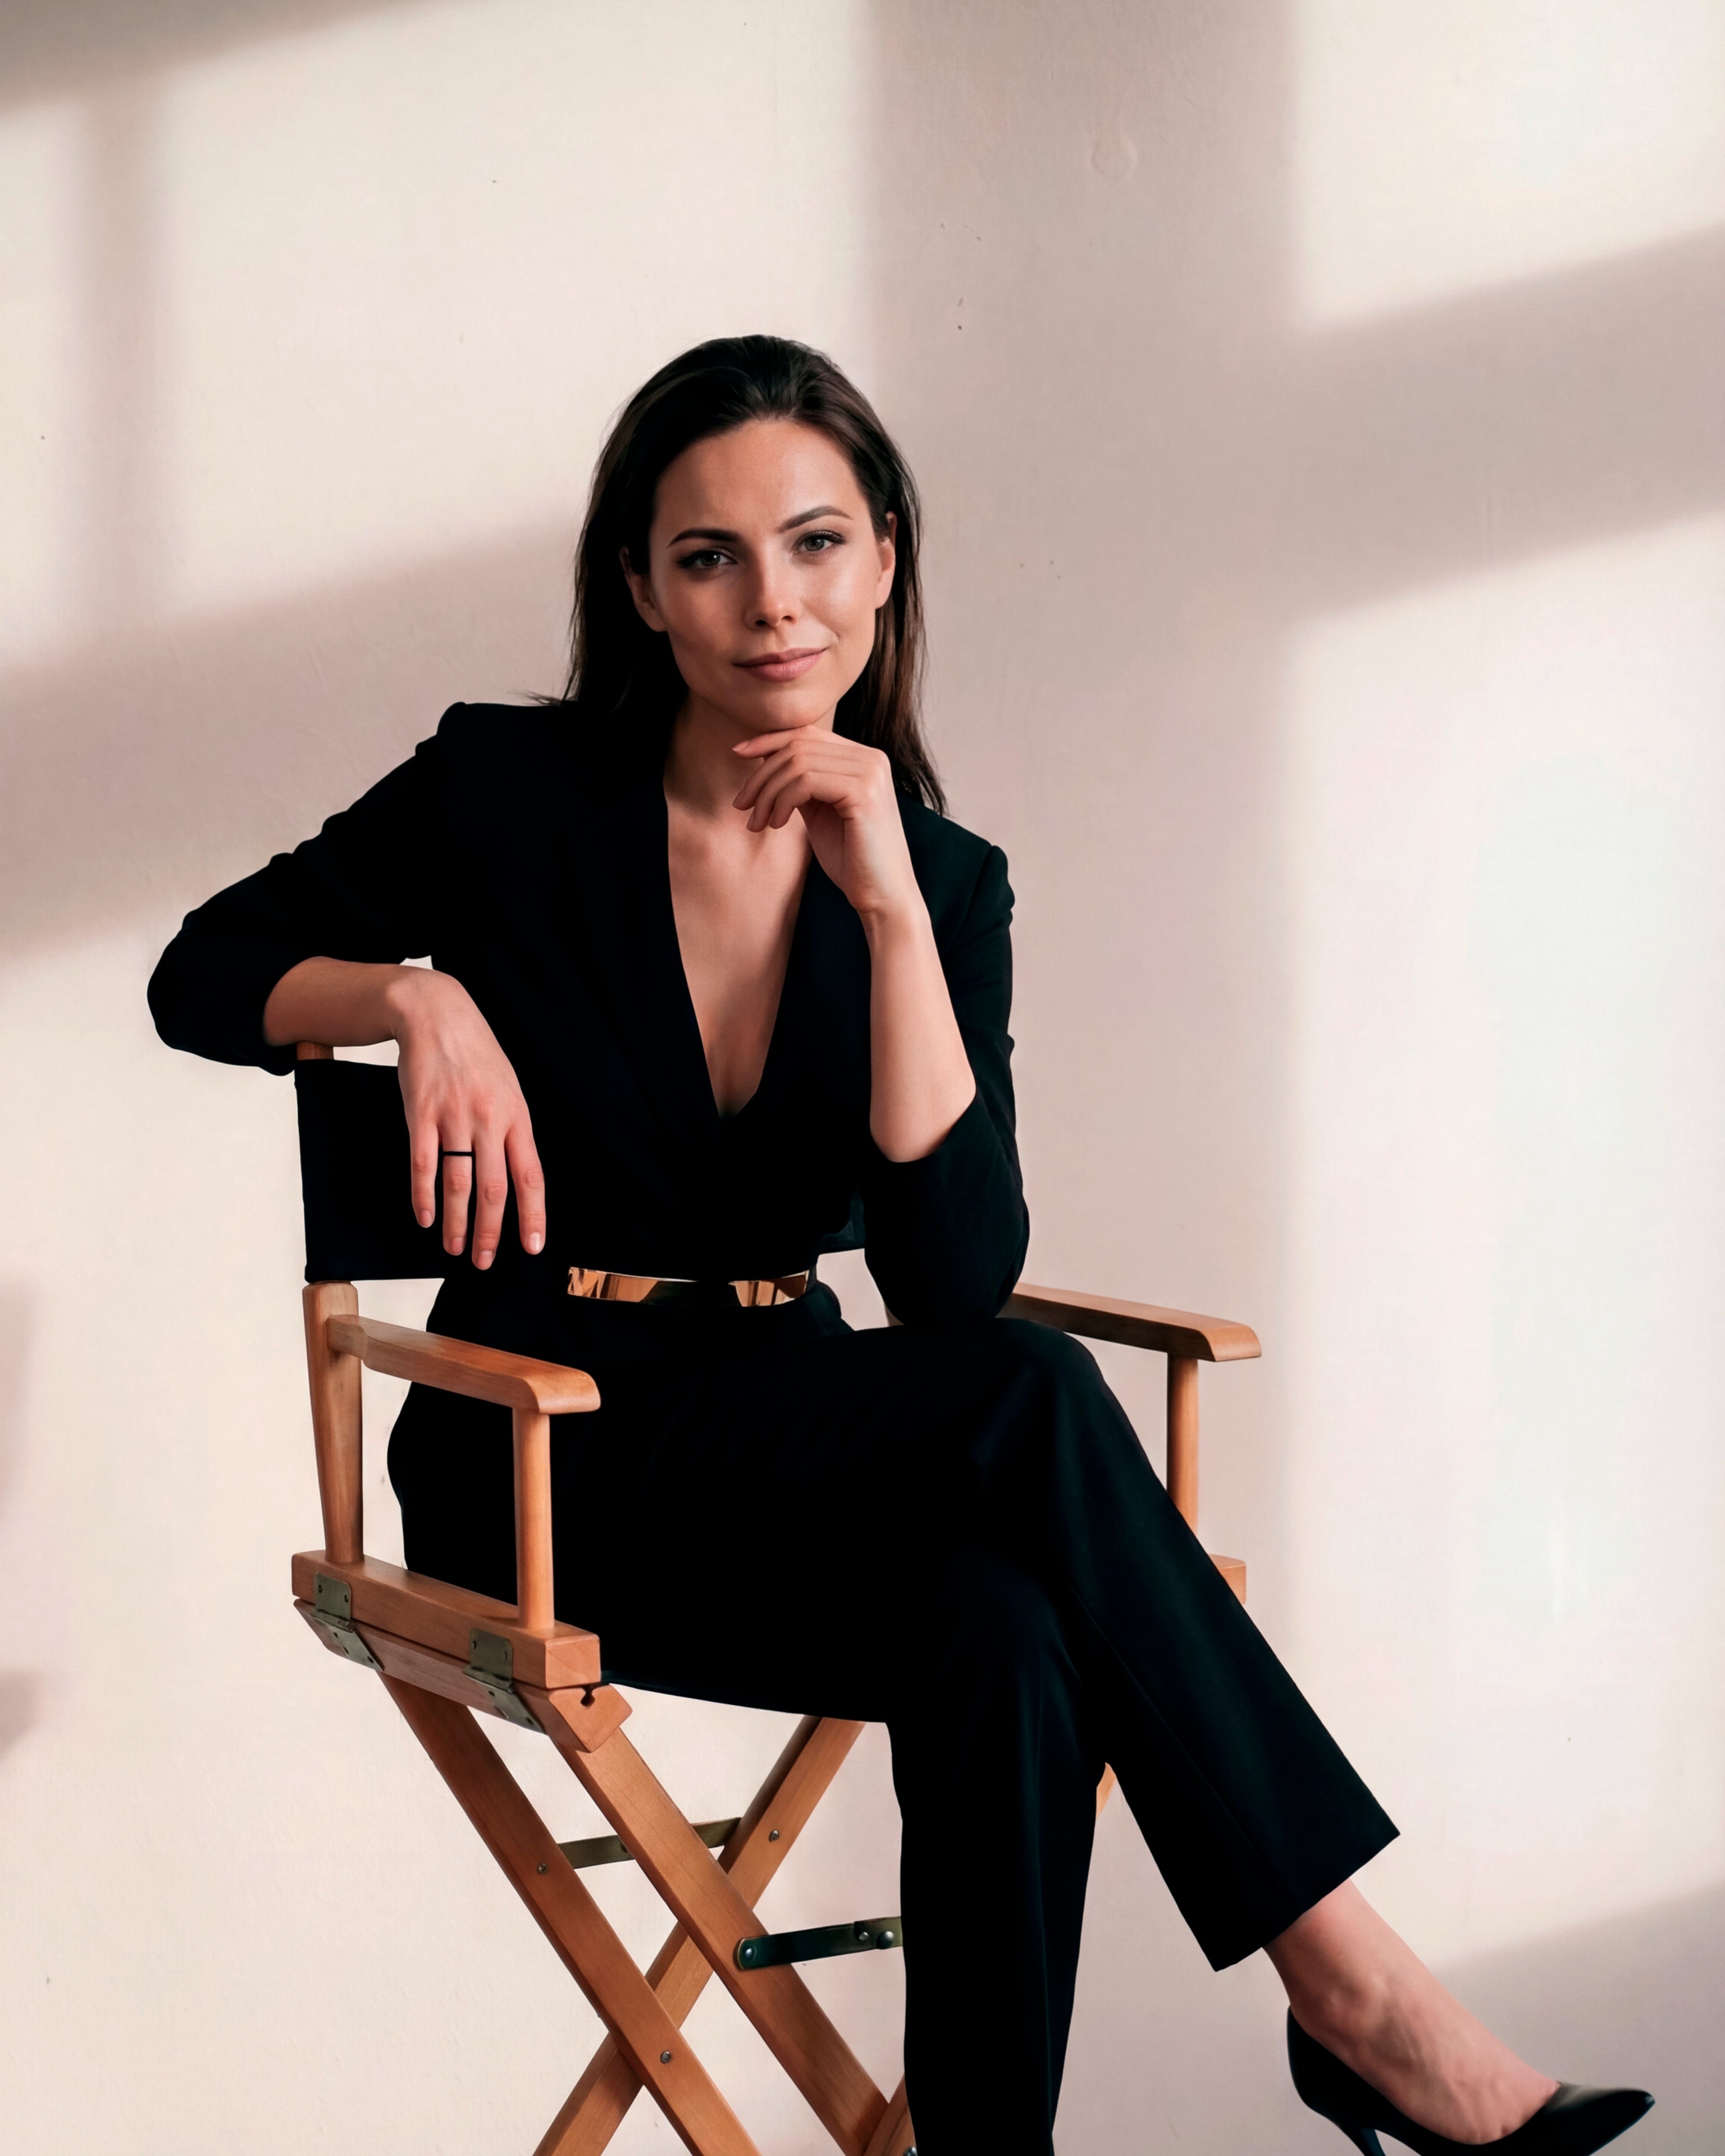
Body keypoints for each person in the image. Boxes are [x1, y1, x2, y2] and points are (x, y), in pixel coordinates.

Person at [148, 335, 1650, 2156]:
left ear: (883, 563)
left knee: (1005, 1629)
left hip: (782, 1427)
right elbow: (199, 970)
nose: (770, 604)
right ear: (639, 588)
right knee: (1025, 1390)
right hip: (536, 1447)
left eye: (815, 545)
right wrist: (405, 992)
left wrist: (893, 910)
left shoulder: (942, 879)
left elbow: (942, 1279)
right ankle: (1349, 1984)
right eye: (707, 557)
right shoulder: (506, 794)